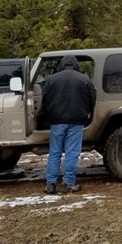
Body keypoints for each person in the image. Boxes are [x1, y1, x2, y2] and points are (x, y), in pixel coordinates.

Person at [41, 55, 96, 194]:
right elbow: (92, 98)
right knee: (72, 153)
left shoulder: (51, 79)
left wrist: (47, 115)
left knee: (54, 153)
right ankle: (68, 184)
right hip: (77, 121)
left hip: (56, 121)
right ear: (76, 65)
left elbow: (44, 98)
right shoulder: (84, 79)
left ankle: (50, 184)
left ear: (62, 65)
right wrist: (87, 112)